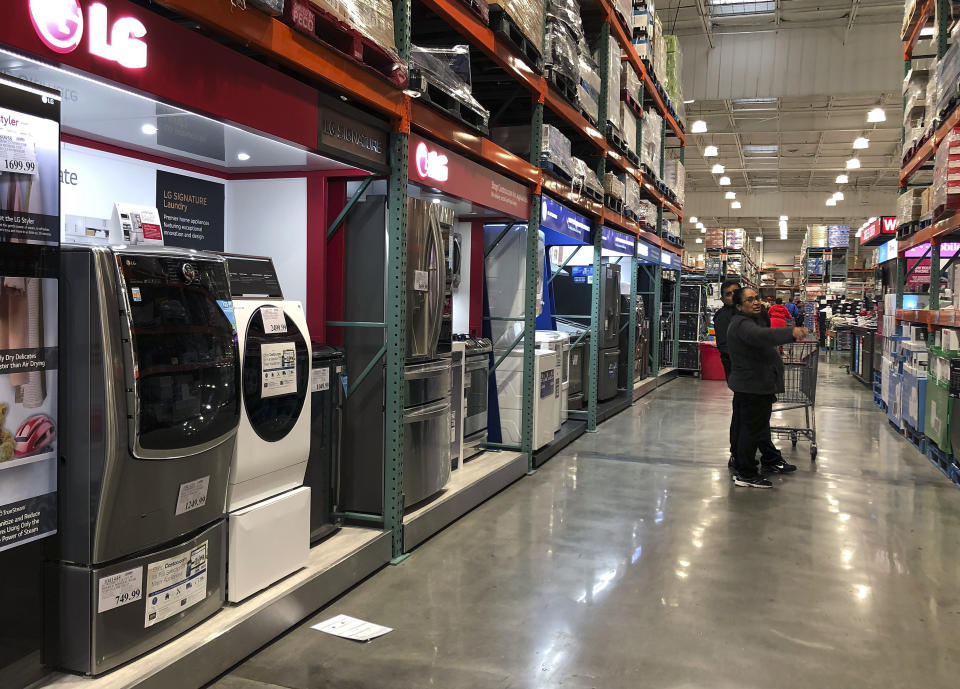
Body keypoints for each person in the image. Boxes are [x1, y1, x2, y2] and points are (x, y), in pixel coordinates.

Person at [727, 288, 809, 488]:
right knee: (751, 430)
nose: (756, 302)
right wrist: (791, 332)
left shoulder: (749, 321)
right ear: (739, 306)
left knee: (748, 427)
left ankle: (745, 465)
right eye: (749, 300)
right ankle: (745, 473)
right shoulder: (743, 325)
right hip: (752, 385)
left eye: (756, 298)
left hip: (753, 384)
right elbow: (762, 336)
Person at [713, 279, 740, 461]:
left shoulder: (744, 314)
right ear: (722, 298)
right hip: (737, 371)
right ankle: (737, 455)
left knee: (747, 413)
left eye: (735, 293)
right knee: (741, 412)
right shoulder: (723, 316)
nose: (731, 297)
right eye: (727, 294)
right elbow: (724, 346)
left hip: (749, 372)